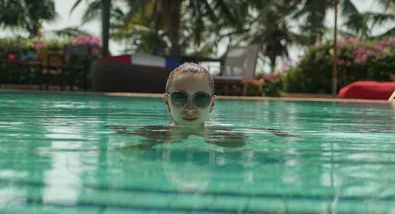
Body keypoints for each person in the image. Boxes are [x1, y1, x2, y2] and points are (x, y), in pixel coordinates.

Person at [108, 62, 294, 149]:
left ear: (212, 104)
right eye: (180, 98)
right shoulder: (150, 135)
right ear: (167, 101)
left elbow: (268, 136)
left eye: (201, 99)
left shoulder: (229, 137)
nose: (190, 108)